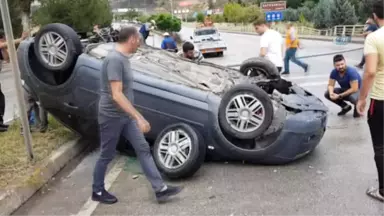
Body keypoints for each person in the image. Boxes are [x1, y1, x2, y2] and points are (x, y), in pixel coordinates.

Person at [92, 26, 183, 205]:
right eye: (139, 40)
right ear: (132, 39)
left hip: (125, 116)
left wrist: (133, 116)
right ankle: (97, 190)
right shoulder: (114, 60)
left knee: (142, 148)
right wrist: (139, 117)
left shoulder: (123, 59)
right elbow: (116, 94)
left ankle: (160, 190)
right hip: (111, 116)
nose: (140, 43)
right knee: (107, 154)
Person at [356, 0, 384, 202]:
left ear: (375, 16)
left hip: (380, 99)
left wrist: (362, 98)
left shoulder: (374, 38)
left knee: (381, 147)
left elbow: (371, 71)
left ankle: (383, 190)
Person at [0, 30, 28, 132]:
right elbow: (2, 44)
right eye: (4, 38)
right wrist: (21, 39)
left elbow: (7, 58)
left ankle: (0, 123)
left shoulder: (2, 46)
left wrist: (5, 48)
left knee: (0, 99)